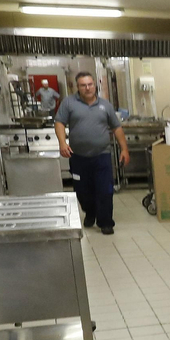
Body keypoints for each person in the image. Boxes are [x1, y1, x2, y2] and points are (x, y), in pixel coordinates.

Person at [54, 73, 130, 234]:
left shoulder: (105, 105)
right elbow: (59, 122)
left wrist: (124, 149)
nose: (87, 88)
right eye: (83, 85)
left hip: (102, 155)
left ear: (95, 85)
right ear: (77, 87)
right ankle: (90, 212)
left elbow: (116, 127)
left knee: (105, 190)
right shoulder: (69, 103)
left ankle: (106, 222)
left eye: (90, 84)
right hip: (78, 157)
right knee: (83, 192)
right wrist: (62, 143)